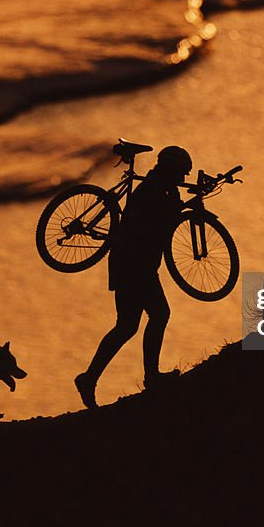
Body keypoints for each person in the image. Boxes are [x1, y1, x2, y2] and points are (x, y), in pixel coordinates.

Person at [74, 145, 192, 409]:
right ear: (170, 170)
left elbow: (169, 212)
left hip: (136, 265)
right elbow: (161, 219)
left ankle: (89, 378)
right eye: (181, 174)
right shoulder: (151, 191)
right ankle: (149, 377)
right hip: (133, 264)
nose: (183, 180)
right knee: (157, 315)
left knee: (127, 326)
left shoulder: (162, 188)